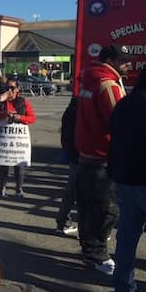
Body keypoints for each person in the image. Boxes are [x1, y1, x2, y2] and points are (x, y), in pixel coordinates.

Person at [106, 56, 146, 292]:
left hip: (126, 182)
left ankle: (121, 289)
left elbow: (114, 139)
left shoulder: (124, 104)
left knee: (126, 240)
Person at [75, 44, 133, 274]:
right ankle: (97, 254)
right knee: (106, 209)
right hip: (104, 155)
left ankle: (88, 248)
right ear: (111, 60)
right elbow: (119, 120)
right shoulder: (108, 84)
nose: (129, 64)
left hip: (87, 153)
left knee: (88, 206)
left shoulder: (88, 78)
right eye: (124, 60)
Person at [0, 79, 36, 197]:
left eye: (12, 88)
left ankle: (19, 189)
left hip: (18, 141)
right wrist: (4, 114)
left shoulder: (23, 102)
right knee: (3, 164)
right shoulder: (0, 102)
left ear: (18, 89)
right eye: (7, 88)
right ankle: (2, 188)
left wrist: (20, 118)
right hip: (4, 140)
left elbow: (31, 118)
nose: (10, 91)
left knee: (19, 166)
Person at [55, 96, 79, 235]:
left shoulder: (69, 113)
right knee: (83, 194)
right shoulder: (80, 115)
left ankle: (62, 222)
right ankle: (84, 228)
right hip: (82, 155)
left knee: (70, 192)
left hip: (72, 155)